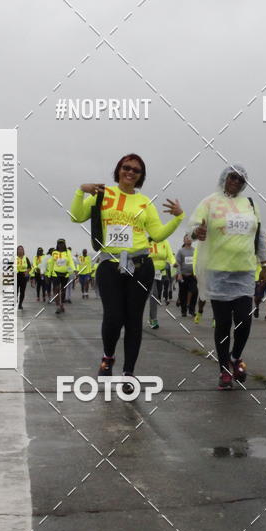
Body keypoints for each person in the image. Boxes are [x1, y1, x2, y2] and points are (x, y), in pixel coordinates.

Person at [70, 153, 183, 379]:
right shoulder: (103, 194)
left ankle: (129, 371)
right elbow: (76, 216)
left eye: (135, 170)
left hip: (141, 266)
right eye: (126, 167)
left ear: (140, 176)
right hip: (110, 265)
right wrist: (81, 190)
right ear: (118, 170)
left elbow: (158, 235)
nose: (130, 172)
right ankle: (108, 356)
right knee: (113, 317)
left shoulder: (144, 203)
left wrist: (178, 218)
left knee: (134, 320)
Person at [191, 164, 266, 390]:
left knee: (244, 320)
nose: (236, 181)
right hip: (218, 272)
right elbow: (193, 227)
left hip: (244, 271)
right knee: (223, 324)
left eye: (241, 179)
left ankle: (235, 357)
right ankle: (224, 369)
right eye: (233, 177)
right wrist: (197, 232)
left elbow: (259, 235)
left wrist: (264, 263)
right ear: (224, 177)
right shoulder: (210, 202)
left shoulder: (250, 204)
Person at [148, 238, 177, 328]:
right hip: (148, 272)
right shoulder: (147, 242)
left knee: (156, 295)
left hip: (160, 273)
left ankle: (150, 318)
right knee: (153, 294)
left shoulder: (165, 242)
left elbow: (170, 255)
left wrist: (174, 262)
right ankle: (153, 319)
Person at [47, 239, 74, 314]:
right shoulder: (54, 252)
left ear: (65, 244)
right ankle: (58, 306)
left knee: (63, 290)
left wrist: (74, 270)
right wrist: (49, 274)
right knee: (56, 288)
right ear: (57, 244)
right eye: (59, 244)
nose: (61, 245)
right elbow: (51, 263)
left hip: (65, 274)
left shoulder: (67, 252)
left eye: (62, 244)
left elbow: (70, 262)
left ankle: (62, 304)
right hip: (55, 273)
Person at [175, 235, 198, 317]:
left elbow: (197, 263)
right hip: (183, 275)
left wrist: (197, 273)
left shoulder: (195, 251)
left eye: (190, 238)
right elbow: (178, 263)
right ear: (184, 240)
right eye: (186, 238)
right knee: (182, 293)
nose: (188, 240)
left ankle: (192, 310)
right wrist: (179, 274)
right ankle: (183, 311)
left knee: (194, 291)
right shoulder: (181, 251)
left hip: (192, 276)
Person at [16, 246, 31, 310]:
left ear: (23, 251)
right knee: (15, 291)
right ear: (17, 251)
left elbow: (30, 267)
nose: (20, 251)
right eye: (19, 249)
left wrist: (27, 271)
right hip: (16, 275)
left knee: (22, 291)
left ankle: (20, 304)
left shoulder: (26, 258)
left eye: (21, 249)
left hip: (23, 276)